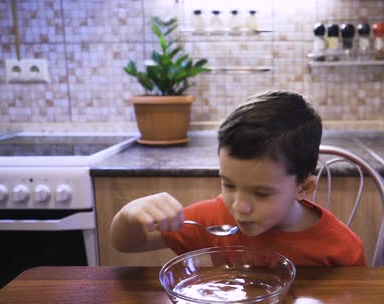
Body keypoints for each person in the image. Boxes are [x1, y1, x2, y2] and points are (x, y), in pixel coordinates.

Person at [110, 90, 366, 266]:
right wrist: (128, 215)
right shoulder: (213, 219)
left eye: (262, 193)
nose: (239, 206)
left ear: (304, 187)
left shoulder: (341, 248)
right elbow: (129, 244)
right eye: (229, 184)